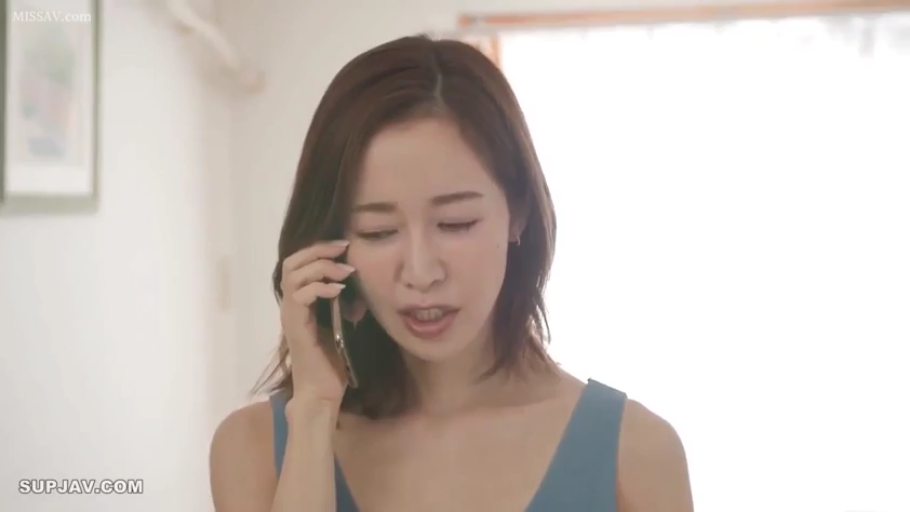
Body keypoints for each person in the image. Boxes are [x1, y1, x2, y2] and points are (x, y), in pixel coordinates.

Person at [209, 34, 693, 512]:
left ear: (518, 212)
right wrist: (313, 412)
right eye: (379, 232)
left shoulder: (636, 453)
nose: (421, 273)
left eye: (456, 223)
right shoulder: (254, 450)